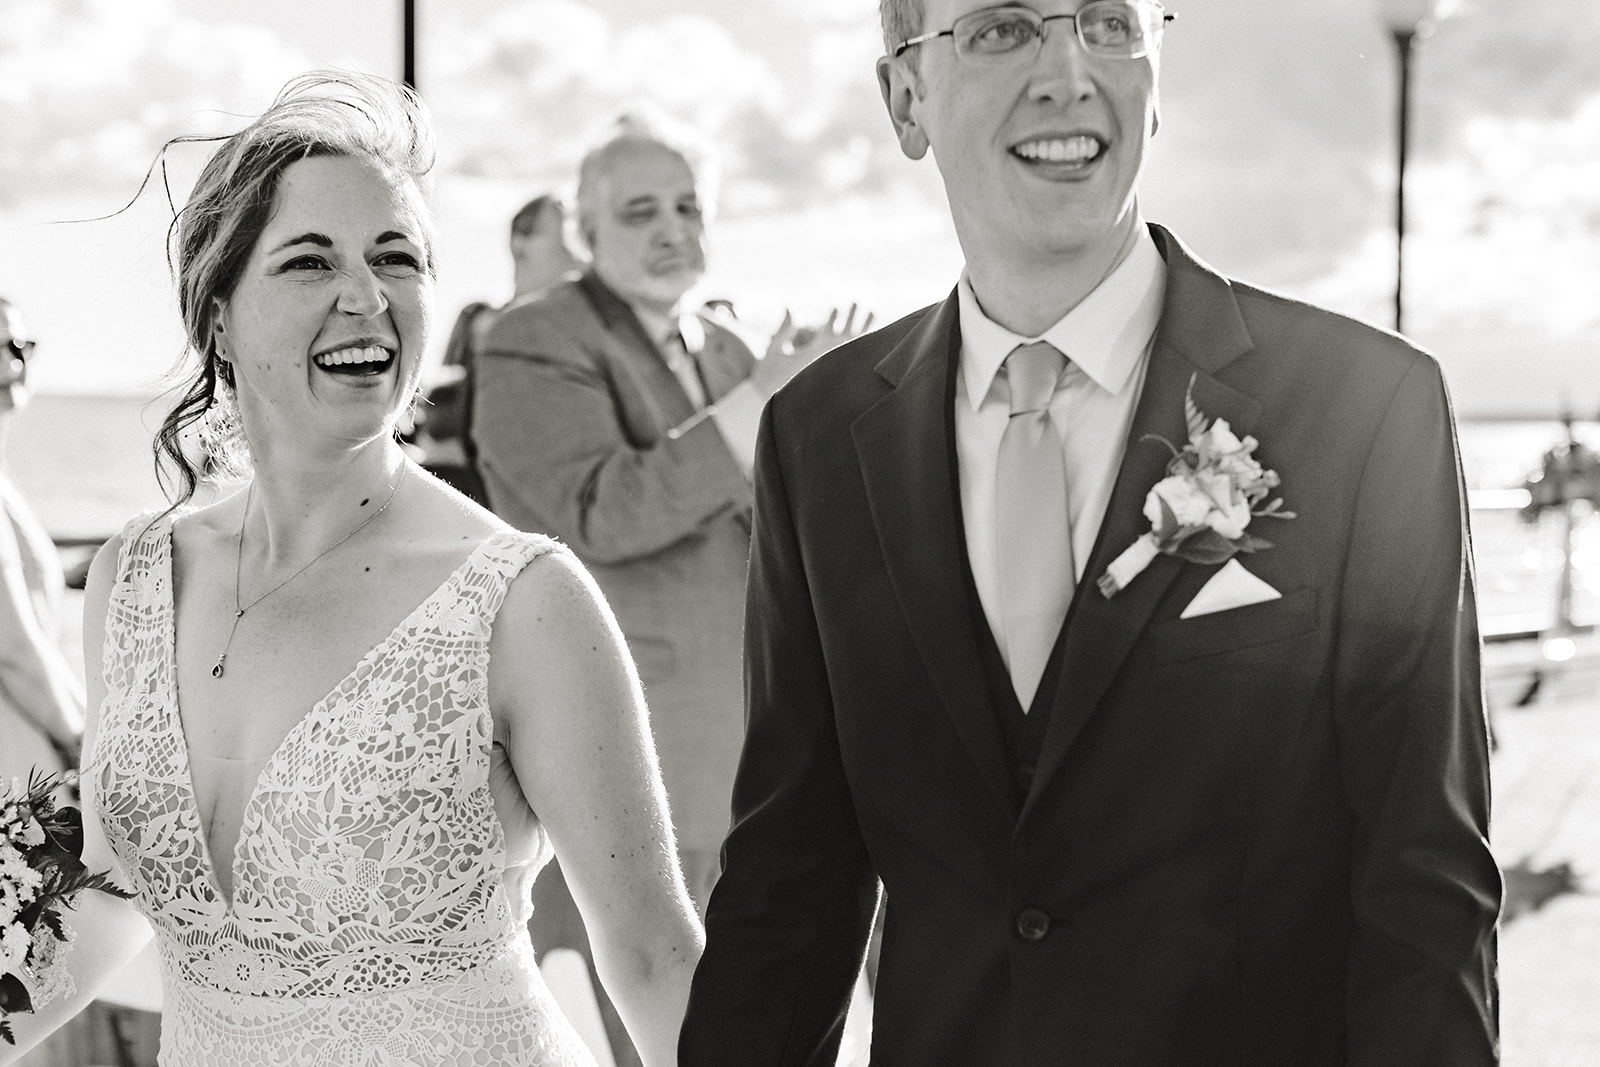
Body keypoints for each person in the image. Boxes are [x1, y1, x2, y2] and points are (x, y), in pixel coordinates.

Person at [680, 2, 1502, 1064]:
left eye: (1107, 21)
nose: (1069, 71)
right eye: (1003, 28)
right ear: (903, 97)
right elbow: (789, 878)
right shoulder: (822, 434)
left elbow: (1423, 882)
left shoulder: (1364, 406)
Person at [0, 71, 702, 1067]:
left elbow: (654, 955)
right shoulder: (135, 580)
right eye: (308, 261)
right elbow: (119, 888)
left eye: (396, 258)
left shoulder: (523, 603)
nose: (366, 295)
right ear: (217, 313)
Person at [471, 107, 868, 1066]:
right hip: (636, 748)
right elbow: (598, 508)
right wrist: (757, 405)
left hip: (767, 757)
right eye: (640, 209)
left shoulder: (736, 349)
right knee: (658, 1025)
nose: (672, 228)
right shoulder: (531, 338)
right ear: (585, 229)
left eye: (689, 205)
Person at [411, 195, 585, 502]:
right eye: (570, 227)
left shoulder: (591, 334)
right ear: (520, 245)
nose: (585, 242)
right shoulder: (479, 323)